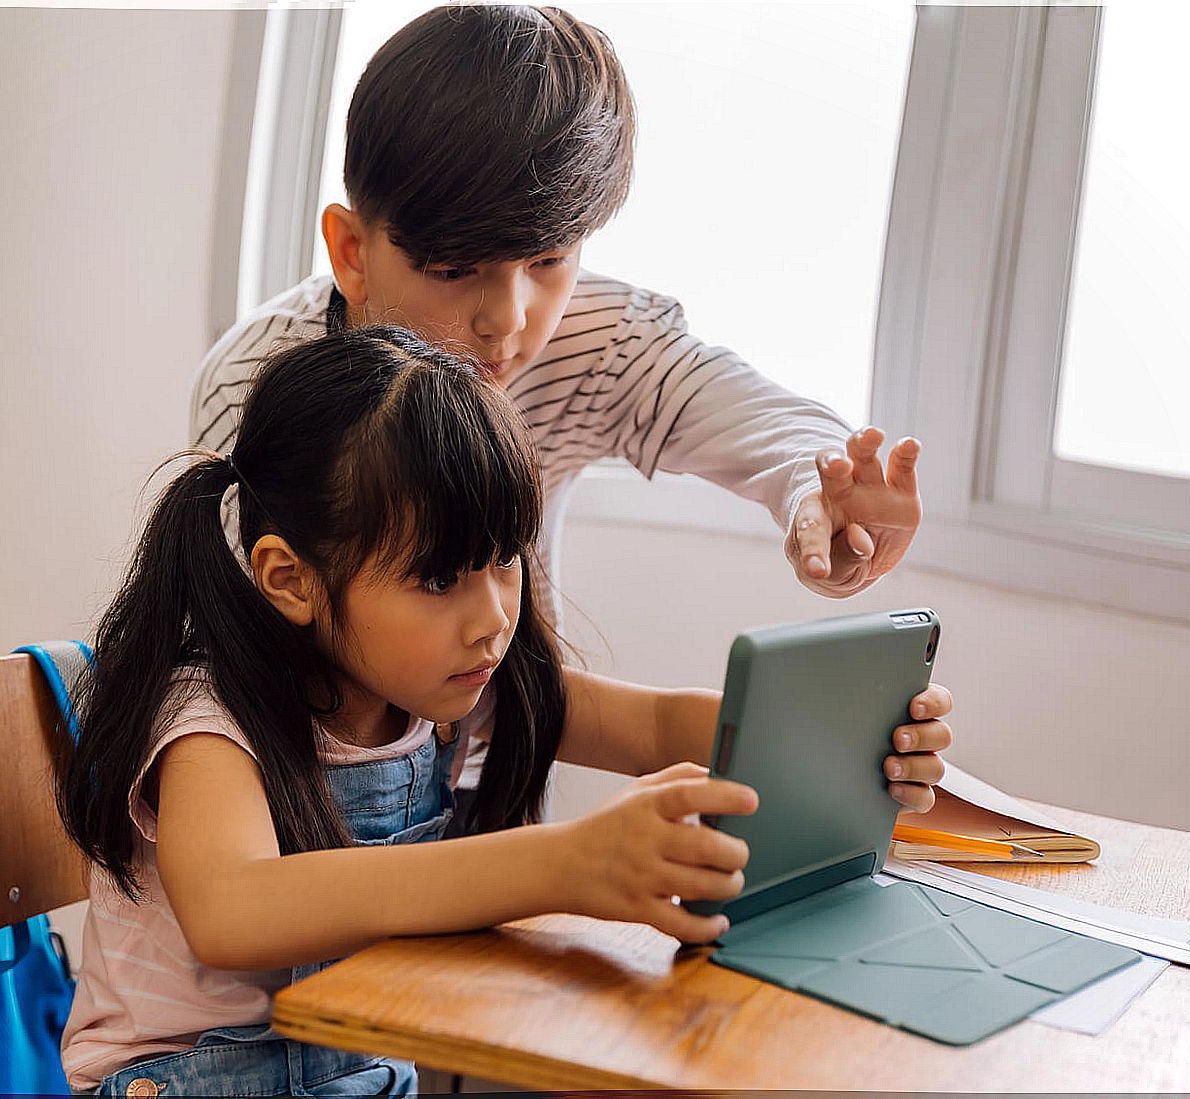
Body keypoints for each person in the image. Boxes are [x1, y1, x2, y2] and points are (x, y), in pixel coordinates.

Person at [58, 328, 953, 1096]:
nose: (492, 616)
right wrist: (561, 863)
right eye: (440, 578)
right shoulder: (209, 719)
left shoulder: (447, 685)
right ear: (290, 578)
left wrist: (844, 735)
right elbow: (236, 908)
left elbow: (651, 728)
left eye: (503, 560)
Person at [191, 5, 932, 809]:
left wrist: (819, 492)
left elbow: (757, 419)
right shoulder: (258, 384)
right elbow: (243, 674)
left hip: (501, 774)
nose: (506, 321)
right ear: (351, 252)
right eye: (453, 269)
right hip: (305, 794)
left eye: (548, 259)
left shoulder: (597, 339)